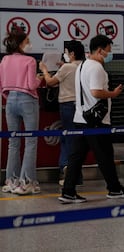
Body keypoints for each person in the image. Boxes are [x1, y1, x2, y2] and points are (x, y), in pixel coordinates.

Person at [59, 34, 124, 203]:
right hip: (96, 121)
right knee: (105, 154)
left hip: (81, 118)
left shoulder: (82, 66)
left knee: (76, 157)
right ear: (100, 50)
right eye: (108, 50)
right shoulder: (96, 68)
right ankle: (114, 189)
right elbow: (96, 92)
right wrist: (113, 93)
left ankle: (68, 191)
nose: (109, 54)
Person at [0, 31, 43, 195]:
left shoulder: (4, 60)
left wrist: (8, 96)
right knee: (31, 141)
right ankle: (26, 183)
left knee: (13, 142)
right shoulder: (30, 60)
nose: (29, 43)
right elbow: (32, 84)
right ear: (21, 43)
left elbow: (1, 84)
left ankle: (11, 181)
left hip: (10, 100)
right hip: (27, 101)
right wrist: (40, 79)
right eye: (27, 41)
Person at [39, 40, 85, 185]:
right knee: (77, 140)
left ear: (71, 53)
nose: (64, 54)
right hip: (81, 107)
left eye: (66, 52)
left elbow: (51, 82)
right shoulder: (84, 65)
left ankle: (68, 175)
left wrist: (45, 70)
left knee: (68, 139)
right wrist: (63, 67)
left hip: (67, 106)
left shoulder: (67, 68)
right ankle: (77, 175)